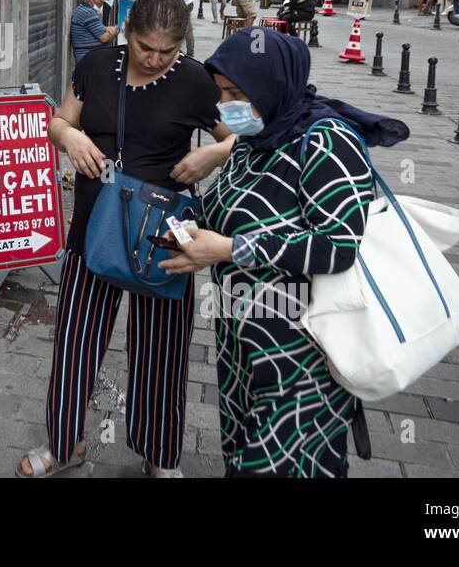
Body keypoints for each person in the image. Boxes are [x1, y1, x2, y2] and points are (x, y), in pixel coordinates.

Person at [158, 27, 407, 477]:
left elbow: (337, 246)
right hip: (242, 344)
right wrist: (197, 234)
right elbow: (235, 213)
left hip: (302, 351)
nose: (225, 104)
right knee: (241, 455)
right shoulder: (255, 140)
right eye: (220, 92)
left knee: (278, 464)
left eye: (236, 92)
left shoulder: (327, 142)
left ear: (273, 85)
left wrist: (230, 248)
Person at [17, 0, 232, 478]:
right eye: (144, 47)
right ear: (126, 31)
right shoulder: (96, 66)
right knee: (75, 339)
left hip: (166, 231)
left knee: (162, 349)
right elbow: (59, 121)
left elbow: (246, 131)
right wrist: (69, 136)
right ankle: (64, 443)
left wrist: (213, 154)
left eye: (167, 51)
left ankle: (160, 457)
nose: (155, 59)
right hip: (96, 222)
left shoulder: (195, 81)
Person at [71, 0, 119, 64]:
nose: (102, 0)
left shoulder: (86, 10)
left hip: (92, 58)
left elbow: (101, 29)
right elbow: (105, 38)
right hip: (90, 61)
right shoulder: (87, 12)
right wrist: (115, 30)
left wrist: (108, 30)